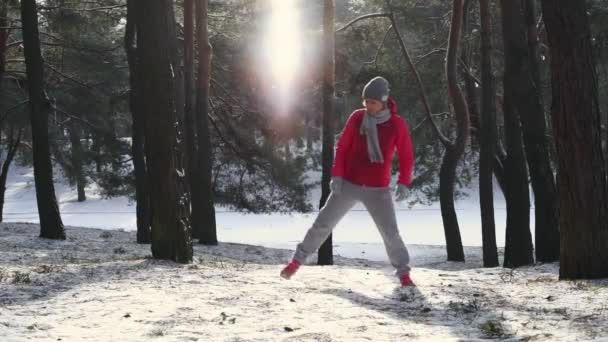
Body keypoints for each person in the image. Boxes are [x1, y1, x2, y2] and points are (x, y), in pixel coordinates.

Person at [280, 76, 416, 287]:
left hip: (378, 188)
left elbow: (407, 155)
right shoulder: (357, 118)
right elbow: (342, 148)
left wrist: (404, 181)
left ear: (384, 101)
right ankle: (296, 262)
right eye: (366, 102)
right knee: (322, 224)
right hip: (349, 184)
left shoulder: (396, 125)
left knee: (390, 233)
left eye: (373, 102)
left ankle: (404, 275)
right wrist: (337, 175)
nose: (368, 106)